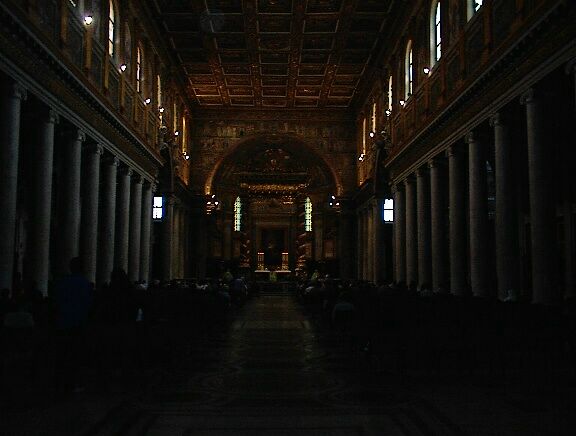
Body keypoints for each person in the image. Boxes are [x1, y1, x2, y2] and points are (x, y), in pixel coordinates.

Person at [54, 257, 93, 393]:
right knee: (75, 355)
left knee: (63, 355)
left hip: (63, 323)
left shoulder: (62, 282)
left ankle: (61, 383)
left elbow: (56, 302)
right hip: (78, 324)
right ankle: (73, 383)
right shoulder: (85, 284)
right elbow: (88, 305)